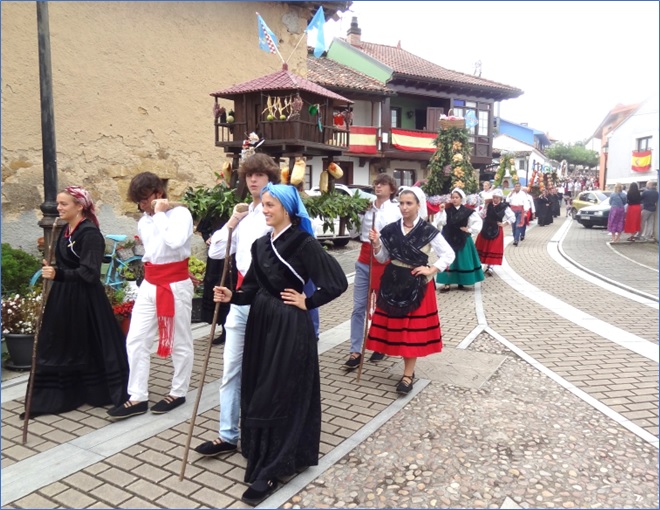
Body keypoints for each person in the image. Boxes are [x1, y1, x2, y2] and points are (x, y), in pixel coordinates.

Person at [212, 183, 348, 505]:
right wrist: (233, 296)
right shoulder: (261, 245)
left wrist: (309, 301)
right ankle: (261, 453)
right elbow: (255, 287)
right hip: (262, 321)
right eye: (264, 204)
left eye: (270, 204)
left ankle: (275, 466)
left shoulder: (303, 243)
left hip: (289, 326)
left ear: (287, 208)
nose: (265, 209)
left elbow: (337, 282)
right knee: (259, 385)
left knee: (279, 391)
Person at [194, 153, 281, 457]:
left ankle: (264, 434)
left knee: (266, 370)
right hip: (241, 297)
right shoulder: (244, 214)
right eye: (249, 175)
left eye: (259, 175)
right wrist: (233, 220)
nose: (253, 180)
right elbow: (217, 251)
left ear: (271, 178)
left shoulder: (277, 212)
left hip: (269, 299)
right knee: (231, 368)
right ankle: (227, 434)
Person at [22, 186, 130, 420]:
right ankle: (65, 392)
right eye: (58, 203)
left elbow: (89, 273)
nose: (58, 208)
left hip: (86, 300)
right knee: (63, 343)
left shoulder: (90, 234)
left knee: (89, 341)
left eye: (63, 204)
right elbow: (68, 262)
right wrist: (54, 266)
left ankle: (97, 390)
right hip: (64, 297)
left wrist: (58, 274)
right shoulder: (67, 230)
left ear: (80, 206)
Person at [107, 172, 195, 420]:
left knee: (179, 340)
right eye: (138, 201)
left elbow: (175, 241)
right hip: (150, 283)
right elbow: (152, 252)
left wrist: (159, 214)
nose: (141, 206)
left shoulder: (180, 214)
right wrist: (152, 215)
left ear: (158, 193)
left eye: (144, 199)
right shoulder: (144, 220)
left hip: (175, 284)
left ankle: (178, 392)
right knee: (136, 339)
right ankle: (137, 396)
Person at [365, 187, 455, 394]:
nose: (404, 207)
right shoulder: (390, 229)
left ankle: (407, 375)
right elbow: (382, 258)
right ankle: (395, 360)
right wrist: (377, 243)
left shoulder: (427, 230)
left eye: (409, 203)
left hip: (417, 287)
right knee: (395, 329)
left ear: (418, 205)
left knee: (409, 333)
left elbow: (448, 254)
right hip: (393, 282)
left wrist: (431, 269)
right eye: (401, 203)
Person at [344, 173, 401, 369]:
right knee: (359, 306)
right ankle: (355, 350)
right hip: (364, 259)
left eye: (383, 184)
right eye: (376, 184)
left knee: (382, 306)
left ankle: (380, 344)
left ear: (391, 189)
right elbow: (353, 233)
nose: (378, 187)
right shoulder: (365, 207)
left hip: (385, 261)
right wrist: (354, 215)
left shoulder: (396, 210)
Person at [435, 187, 484, 292]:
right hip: (448, 238)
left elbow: (478, 222)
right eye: (453, 197)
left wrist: (469, 229)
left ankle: (461, 281)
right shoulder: (447, 210)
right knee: (448, 260)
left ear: (461, 199)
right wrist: (441, 211)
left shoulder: (468, 211)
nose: (454, 199)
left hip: (462, 238)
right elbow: (440, 222)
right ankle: (446, 283)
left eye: (457, 197)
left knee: (462, 260)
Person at [475, 189, 516, 276]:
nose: (495, 199)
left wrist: (504, 224)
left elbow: (512, 217)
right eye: (494, 197)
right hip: (485, 228)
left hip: (496, 229)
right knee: (483, 246)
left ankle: (491, 267)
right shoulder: (488, 205)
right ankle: (479, 265)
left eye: (497, 198)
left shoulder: (504, 207)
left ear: (500, 198)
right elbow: (482, 214)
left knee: (493, 248)